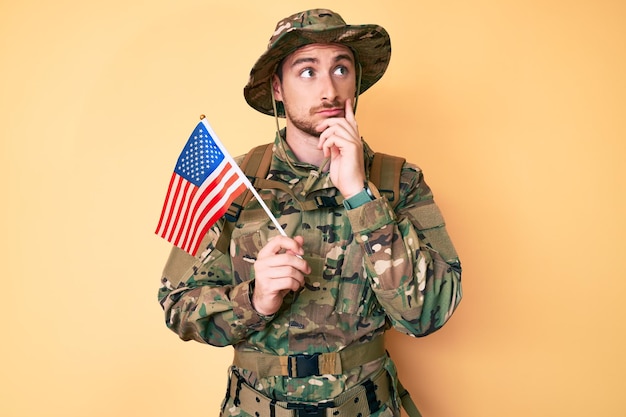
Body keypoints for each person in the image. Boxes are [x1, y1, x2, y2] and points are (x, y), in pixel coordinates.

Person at [158, 8, 462, 417]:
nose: (329, 90)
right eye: (307, 71)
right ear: (277, 88)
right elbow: (178, 306)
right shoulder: (233, 183)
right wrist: (255, 299)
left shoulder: (397, 181)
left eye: (341, 69)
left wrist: (360, 196)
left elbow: (428, 314)